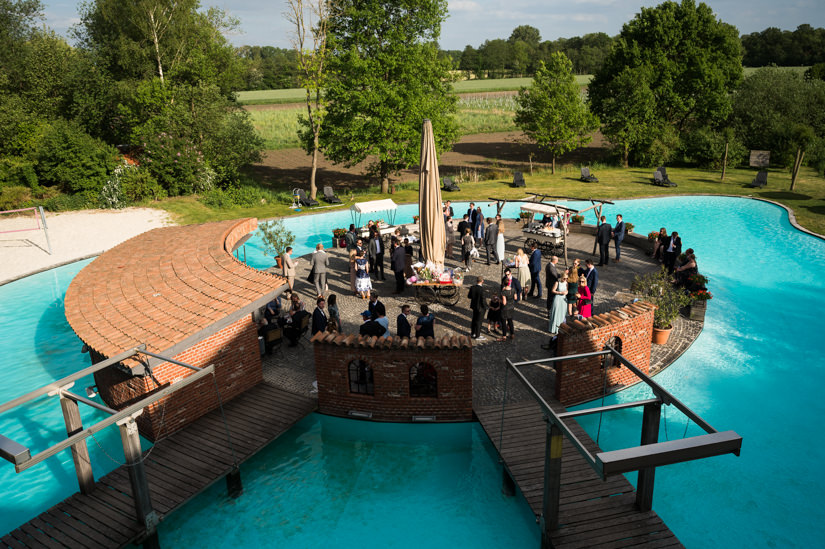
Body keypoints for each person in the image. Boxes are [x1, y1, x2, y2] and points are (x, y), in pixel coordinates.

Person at [499, 271, 518, 341]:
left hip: (505, 309)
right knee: (510, 321)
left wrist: (499, 300)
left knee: (504, 323)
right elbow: (515, 298)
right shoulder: (513, 290)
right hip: (511, 307)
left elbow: (504, 302)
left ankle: (504, 336)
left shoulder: (503, 292)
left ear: (504, 283)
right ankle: (512, 334)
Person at [548, 269, 569, 335]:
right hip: (557, 298)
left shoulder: (566, 283)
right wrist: (560, 292)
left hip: (563, 300)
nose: (565, 280)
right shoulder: (557, 283)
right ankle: (553, 328)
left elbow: (567, 290)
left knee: (562, 314)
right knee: (556, 313)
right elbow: (553, 290)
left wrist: (566, 292)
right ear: (562, 277)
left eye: (566, 278)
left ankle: (560, 328)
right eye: (564, 278)